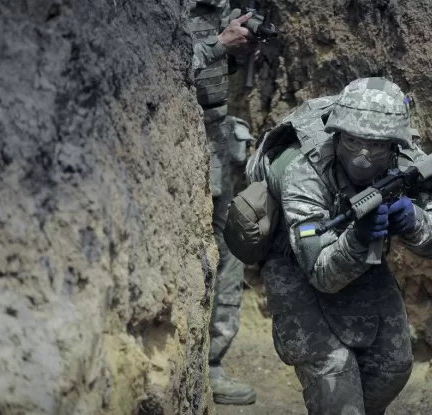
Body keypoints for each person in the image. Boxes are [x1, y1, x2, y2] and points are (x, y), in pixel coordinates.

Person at [253, 77, 432, 414]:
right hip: (295, 265)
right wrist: (359, 237)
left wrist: (412, 219)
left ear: (393, 144)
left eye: (375, 145)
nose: (362, 155)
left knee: (392, 367)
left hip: (360, 258)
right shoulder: (304, 171)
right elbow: (321, 273)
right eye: (352, 140)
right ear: (337, 133)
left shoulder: (407, 161)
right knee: (334, 375)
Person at [189, 0, 257, 405]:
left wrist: (235, 51)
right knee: (196, 257)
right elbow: (164, 69)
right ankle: (193, 366)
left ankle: (212, 364)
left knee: (229, 252)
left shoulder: (219, 6)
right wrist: (218, 45)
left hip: (216, 141)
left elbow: (209, 76)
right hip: (183, 142)